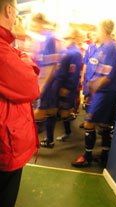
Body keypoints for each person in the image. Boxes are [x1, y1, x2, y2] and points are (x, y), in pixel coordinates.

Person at [0, 1, 40, 206]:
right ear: (8, 10)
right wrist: (24, 59)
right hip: (6, 145)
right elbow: (31, 86)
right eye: (16, 11)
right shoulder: (3, 51)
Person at [71, 19, 116, 168]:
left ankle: (87, 156)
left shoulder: (112, 48)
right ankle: (104, 154)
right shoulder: (103, 47)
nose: (95, 33)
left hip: (105, 93)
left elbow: (108, 75)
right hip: (101, 92)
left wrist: (94, 85)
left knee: (88, 123)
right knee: (105, 125)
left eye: (98, 30)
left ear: (104, 31)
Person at [35, 28, 82, 146]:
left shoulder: (75, 52)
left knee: (63, 112)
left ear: (74, 38)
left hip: (65, 88)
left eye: (67, 38)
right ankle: (50, 139)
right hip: (57, 86)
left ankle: (66, 133)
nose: (65, 39)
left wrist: (67, 88)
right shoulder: (64, 51)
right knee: (53, 112)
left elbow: (74, 72)